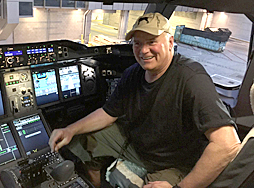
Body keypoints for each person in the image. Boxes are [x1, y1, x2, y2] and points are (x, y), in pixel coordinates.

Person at [49, 12, 241, 188]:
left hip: (178, 163)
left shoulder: (191, 78)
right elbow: (109, 112)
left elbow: (227, 145)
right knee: (81, 141)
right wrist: (70, 129)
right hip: (139, 147)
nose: (143, 50)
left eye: (151, 42)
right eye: (137, 43)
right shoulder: (134, 73)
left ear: (170, 41)